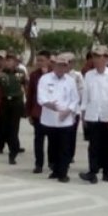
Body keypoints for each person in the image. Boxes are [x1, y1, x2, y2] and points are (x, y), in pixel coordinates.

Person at [79, 45, 108, 184]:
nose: (99, 59)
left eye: (102, 56)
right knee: (93, 145)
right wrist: (83, 112)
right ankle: (92, 172)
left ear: (106, 58)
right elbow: (86, 95)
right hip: (93, 115)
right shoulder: (89, 75)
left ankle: (107, 172)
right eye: (96, 56)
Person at [37, 53, 79, 183]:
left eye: (64, 66)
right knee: (53, 147)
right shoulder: (45, 79)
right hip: (50, 118)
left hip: (65, 120)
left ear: (67, 67)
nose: (61, 68)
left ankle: (63, 173)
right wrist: (50, 105)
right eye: (59, 65)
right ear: (54, 65)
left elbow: (75, 99)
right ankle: (55, 170)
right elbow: (41, 97)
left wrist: (68, 110)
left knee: (64, 147)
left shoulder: (70, 80)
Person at [0, 52, 27, 165]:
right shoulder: (0, 74)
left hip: (17, 102)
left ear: (15, 62)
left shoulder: (21, 74)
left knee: (14, 128)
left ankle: (13, 153)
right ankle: (3, 145)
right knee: (4, 128)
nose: (8, 63)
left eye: (10, 60)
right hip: (5, 102)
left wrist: (27, 102)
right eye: (6, 60)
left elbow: (26, 87)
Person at [26, 51, 53, 174]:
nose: (39, 62)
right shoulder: (34, 75)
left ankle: (52, 162)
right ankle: (39, 164)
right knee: (38, 140)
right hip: (38, 112)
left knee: (53, 140)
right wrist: (29, 113)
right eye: (38, 60)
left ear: (49, 60)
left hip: (52, 112)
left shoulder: (55, 74)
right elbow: (30, 94)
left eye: (42, 60)